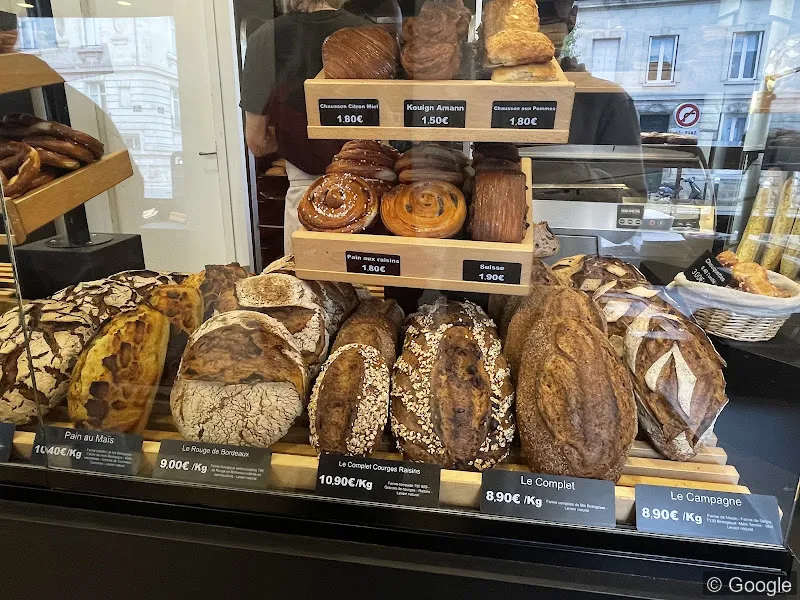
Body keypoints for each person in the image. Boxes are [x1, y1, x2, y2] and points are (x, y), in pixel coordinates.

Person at [240, 0, 365, 253]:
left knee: (306, 287)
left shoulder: (265, 39)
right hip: (366, 196)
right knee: (360, 288)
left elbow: (256, 140)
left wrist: (291, 136)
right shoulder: (368, 34)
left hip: (305, 194)